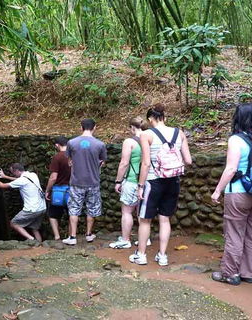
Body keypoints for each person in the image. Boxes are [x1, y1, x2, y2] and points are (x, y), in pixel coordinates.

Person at [210, 103, 252, 285]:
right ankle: (248, 272)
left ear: (238, 118)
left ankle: (230, 273)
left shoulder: (236, 140)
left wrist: (217, 191)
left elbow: (231, 168)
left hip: (239, 192)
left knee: (234, 234)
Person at [129, 104, 192, 266]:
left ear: (150, 119)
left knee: (145, 220)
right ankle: (162, 255)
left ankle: (141, 255)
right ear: (165, 117)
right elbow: (188, 161)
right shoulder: (179, 133)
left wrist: (140, 185)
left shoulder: (146, 135)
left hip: (152, 182)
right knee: (165, 220)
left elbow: (146, 163)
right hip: (173, 181)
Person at [62, 118, 107, 245]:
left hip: (76, 181)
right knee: (91, 209)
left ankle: (72, 237)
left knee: (74, 209)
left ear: (81, 128)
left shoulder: (71, 143)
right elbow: (103, 162)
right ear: (95, 127)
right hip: (93, 181)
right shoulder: (100, 144)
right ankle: (88, 234)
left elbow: (69, 161)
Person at [109, 117, 151, 249]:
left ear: (132, 127)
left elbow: (124, 163)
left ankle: (125, 239)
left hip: (132, 180)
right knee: (142, 212)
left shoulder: (129, 142)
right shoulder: (150, 139)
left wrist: (118, 181)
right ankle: (145, 239)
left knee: (127, 211)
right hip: (147, 181)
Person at [0, 164, 46, 242]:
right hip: (42, 208)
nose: (13, 174)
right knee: (34, 229)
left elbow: (2, 186)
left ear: (17, 171)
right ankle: (40, 245)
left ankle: (32, 240)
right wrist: (5, 177)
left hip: (32, 209)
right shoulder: (32, 175)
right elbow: (19, 180)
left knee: (13, 223)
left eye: (13, 173)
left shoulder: (21, 180)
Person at [45, 136, 71, 241]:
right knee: (72, 214)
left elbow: (53, 177)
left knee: (53, 214)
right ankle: (71, 235)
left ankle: (57, 236)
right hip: (73, 190)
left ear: (57, 145)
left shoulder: (57, 158)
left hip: (59, 191)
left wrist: (47, 190)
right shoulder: (73, 156)